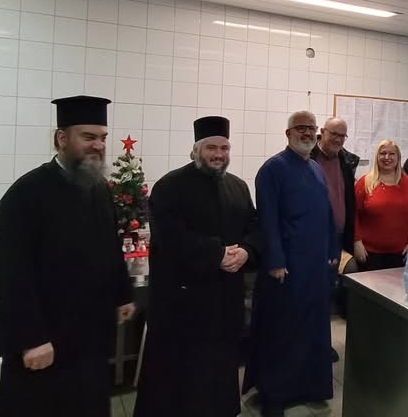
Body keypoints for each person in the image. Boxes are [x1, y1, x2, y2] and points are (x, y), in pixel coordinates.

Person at [0, 95, 135, 417]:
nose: (99, 145)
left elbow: (110, 246)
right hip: (47, 340)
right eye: (88, 136)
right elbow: (10, 274)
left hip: (90, 337)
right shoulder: (26, 193)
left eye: (103, 137)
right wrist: (32, 338)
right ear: (61, 138)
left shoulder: (99, 188)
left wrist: (122, 294)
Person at [134, 116, 261, 417]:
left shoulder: (238, 187)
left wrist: (246, 252)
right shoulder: (170, 186)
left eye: (224, 148)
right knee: (177, 384)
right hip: (183, 305)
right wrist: (217, 254)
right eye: (211, 148)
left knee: (218, 377)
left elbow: (255, 227)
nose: (219, 155)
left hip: (224, 302)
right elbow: (169, 237)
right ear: (195, 150)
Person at [243, 110, 339, 417]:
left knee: (312, 329)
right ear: (288, 134)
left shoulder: (315, 168)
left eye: (311, 128)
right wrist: (275, 260)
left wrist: (333, 249)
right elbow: (267, 219)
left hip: (315, 266)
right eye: (301, 128)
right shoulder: (272, 169)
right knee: (281, 331)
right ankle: (275, 394)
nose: (307, 133)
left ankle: (309, 387)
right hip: (285, 267)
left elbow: (326, 214)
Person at [309, 117, 360, 362]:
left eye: (342, 135)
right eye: (334, 134)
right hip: (311, 239)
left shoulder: (346, 162)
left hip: (337, 240)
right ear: (322, 132)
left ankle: (321, 343)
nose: (338, 139)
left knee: (326, 294)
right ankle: (307, 344)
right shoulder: (307, 157)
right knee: (310, 294)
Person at [352, 140, 408, 270]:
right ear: (377, 157)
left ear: (398, 157)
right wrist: (357, 242)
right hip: (369, 254)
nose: (387, 157)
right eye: (383, 153)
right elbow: (353, 215)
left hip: (401, 254)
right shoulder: (365, 182)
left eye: (392, 154)